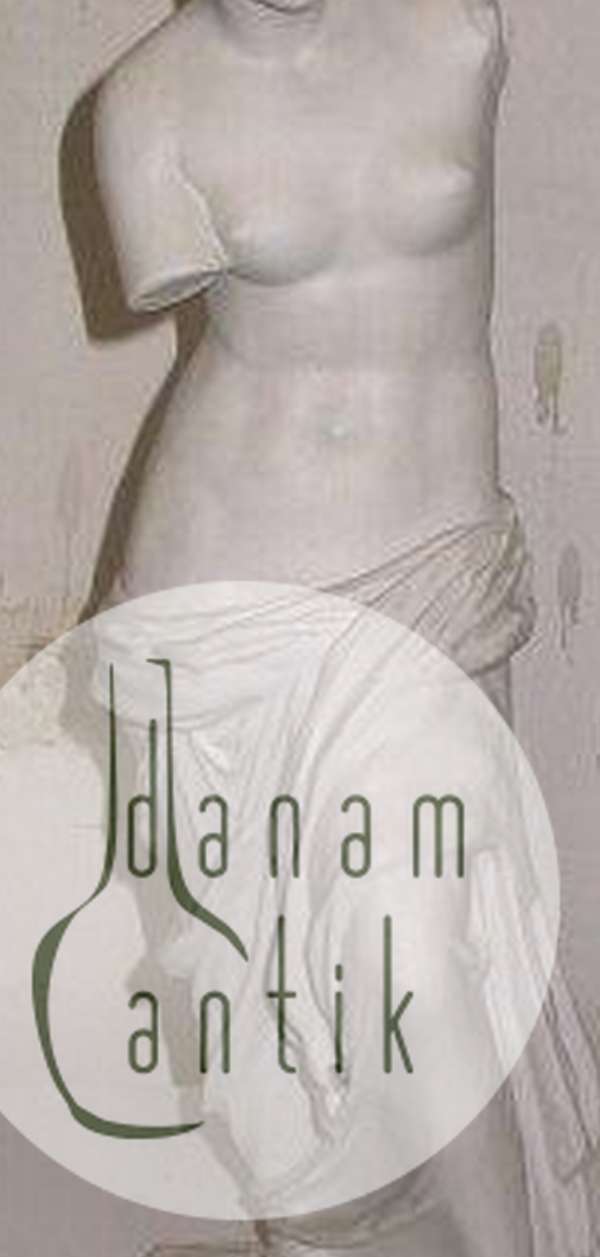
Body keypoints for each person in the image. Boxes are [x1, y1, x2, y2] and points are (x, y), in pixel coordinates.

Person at [88, 0, 599, 1253]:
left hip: (425, 587)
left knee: (410, 961)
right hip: (218, 606)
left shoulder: (451, 26)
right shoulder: (146, 100)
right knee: (257, 1035)